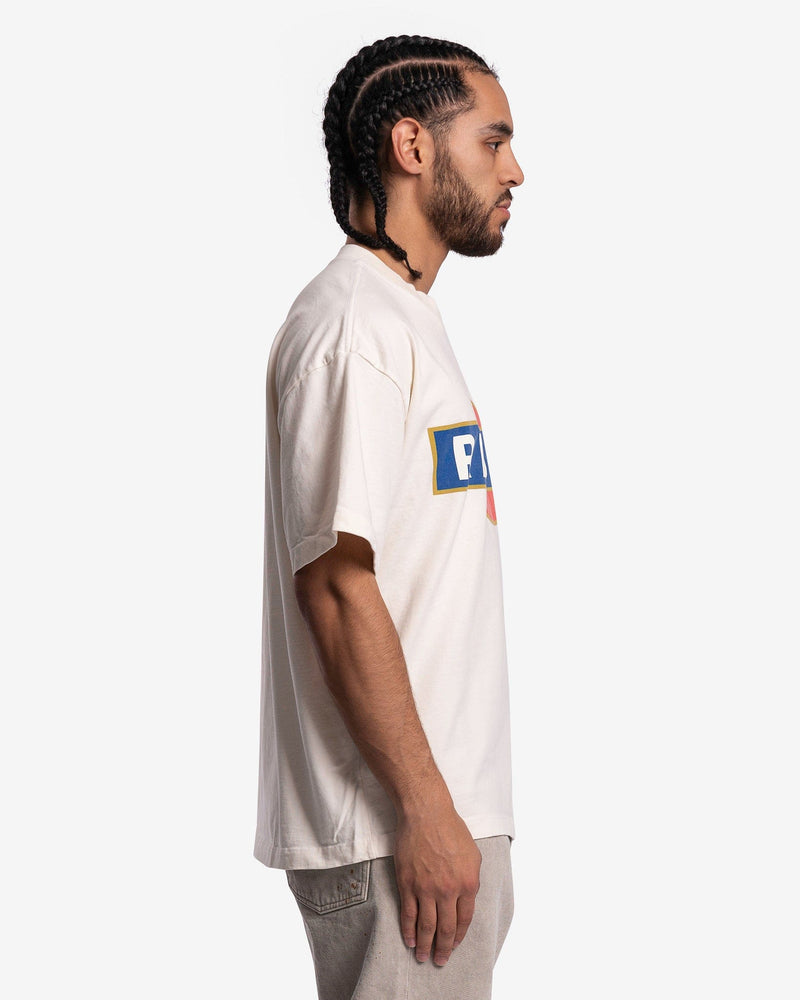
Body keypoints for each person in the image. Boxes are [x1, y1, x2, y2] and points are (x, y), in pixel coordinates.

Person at [254, 34, 524, 1000]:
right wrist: (424, 806)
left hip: (428, 824)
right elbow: (334, 583)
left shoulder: (398, 319)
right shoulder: (352, 327)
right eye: (492, 141)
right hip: (397, 834)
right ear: (412, 146)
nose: (515, 171)